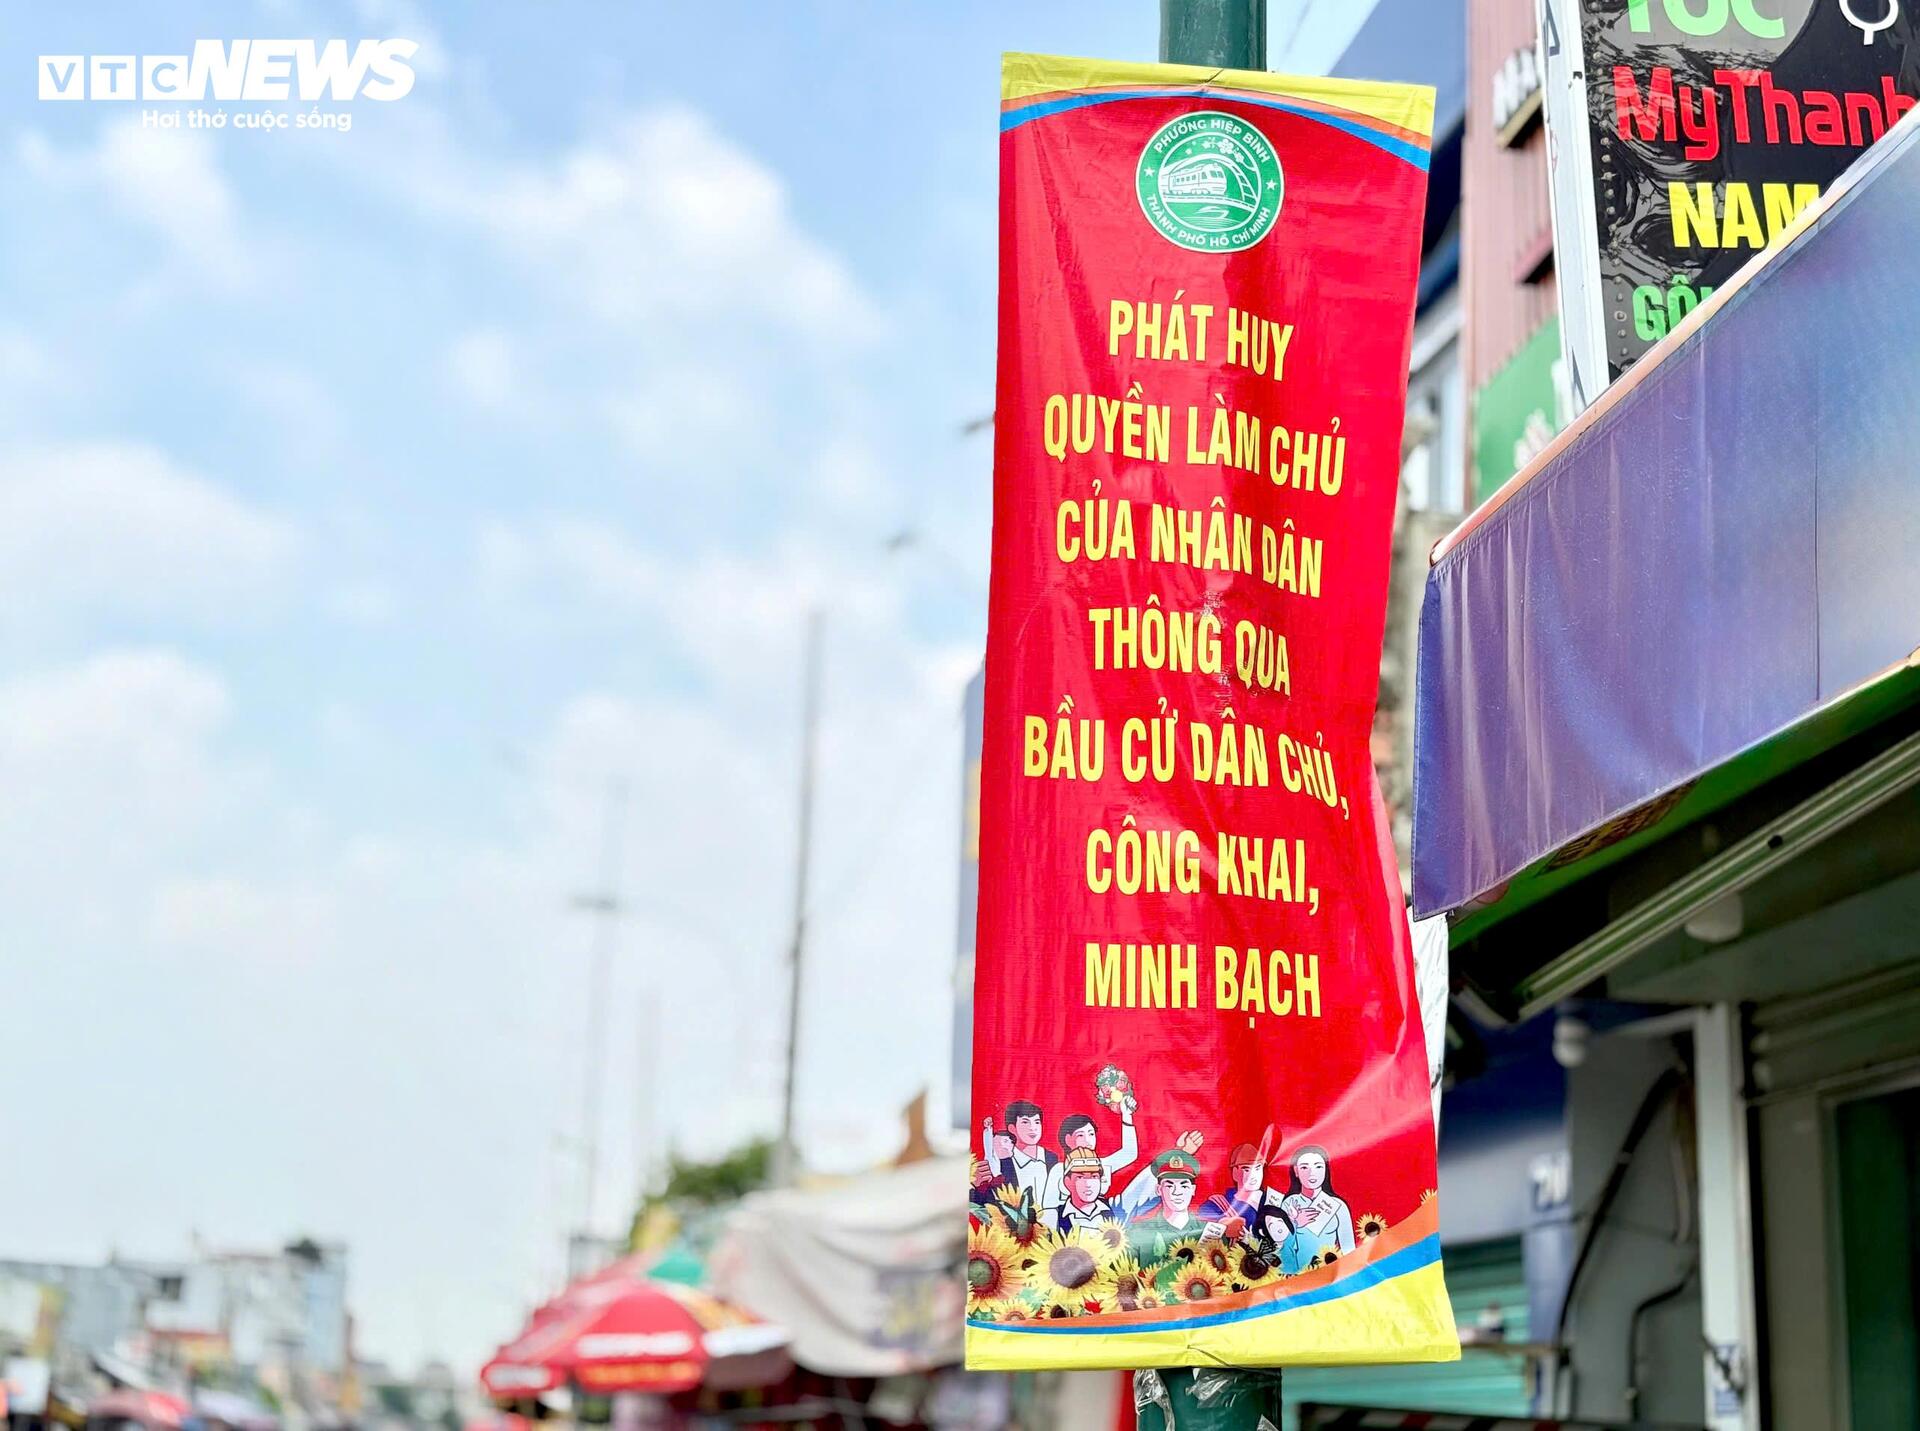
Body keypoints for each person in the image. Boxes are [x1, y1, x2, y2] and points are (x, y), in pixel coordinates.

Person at [1039, 1106, 1139, 1211]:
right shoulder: (1059, 1170)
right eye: (1080, 1135)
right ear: (1068, 1140)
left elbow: (1130, 1153)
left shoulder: (1102, 1164)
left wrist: (1126, 1116)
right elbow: (1048, 1207)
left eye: (1091, 1134)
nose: (1088, 1140)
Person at [1124, 1149, 1214, 1265]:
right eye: (1169, 1186)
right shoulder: (1138, 1233)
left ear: (1193, 1190)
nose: (1177, 1192)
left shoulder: (1210, 1233)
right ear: (1158, 1189)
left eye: (1184, 1186)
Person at [1276, 1144, 1354, 1272]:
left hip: (1330, 1274)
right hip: (1296, 1275)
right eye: (1304, 1167)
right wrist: (1295, 1224)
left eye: (1318, 1167)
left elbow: (1349, 1249)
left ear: (1325, 1170)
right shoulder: (1288, 1203)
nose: (1312, 1173)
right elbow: (1280, 1246)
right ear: (1296, 1171)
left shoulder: (1339, 1206)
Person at [1050, 1147, 1115, 1234]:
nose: (1088, 1184)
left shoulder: (1112, 1211)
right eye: (1080, 1177)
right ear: (1067, 1182)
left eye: (1094, 1176)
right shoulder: (1053, 1217)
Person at [1002, 1099, 1055, 1204]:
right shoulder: (1004, 1163)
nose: (1033, 1128)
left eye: (1037, 1122)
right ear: (1012, 1128)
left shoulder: (1051, 1159)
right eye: (1025, 1122)